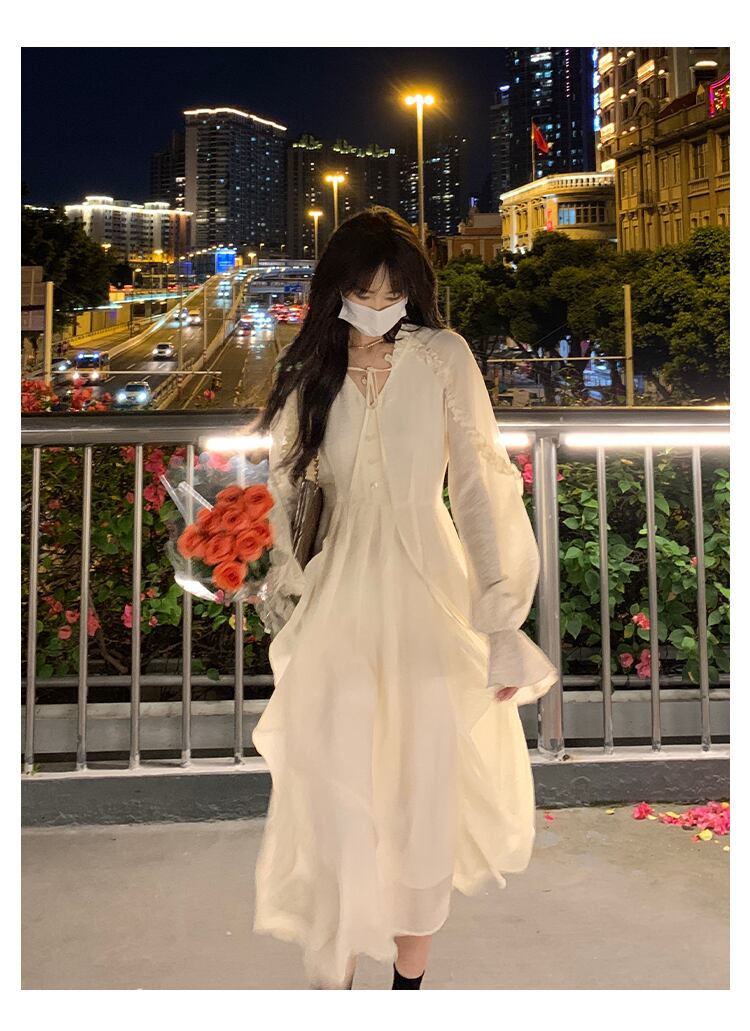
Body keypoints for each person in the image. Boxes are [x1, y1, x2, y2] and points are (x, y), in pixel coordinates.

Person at [247, 206, 558, 990]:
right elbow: (282, 485)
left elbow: (480, 486)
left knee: (422, 788)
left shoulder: (444, 357)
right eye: (363, 291)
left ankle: (407, 987)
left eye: (392, 293)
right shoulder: (312, 368)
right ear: (336, 291)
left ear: (413, 291)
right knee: (337, 785)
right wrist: (262, 564)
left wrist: (500, 620)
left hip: (430, 590)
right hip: (339, 592)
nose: (378, 306)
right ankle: (337, 979)